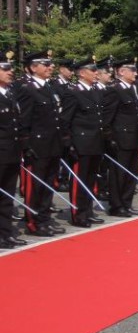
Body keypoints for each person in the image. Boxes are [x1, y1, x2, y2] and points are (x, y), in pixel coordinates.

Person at [17, 51, 67, 235]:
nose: (50, 67)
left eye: (50, 64)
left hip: (52, 144)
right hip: (37, 146)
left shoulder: (49, 87)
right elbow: (24, 120)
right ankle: (34, 222)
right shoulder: (27, 89)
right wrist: (26, 146)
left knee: (47, 185)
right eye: (45, 65)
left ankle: (45, 218)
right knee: (35, 186)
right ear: (33, 67)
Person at [60, 58, 106, 228]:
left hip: (95, 142)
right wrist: (69, 143)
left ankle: (87, 211)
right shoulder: (73, 92)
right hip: (81, 143)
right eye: (92, 70)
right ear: (81, 73)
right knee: (79, 180)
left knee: (91, 179)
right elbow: (65, 120)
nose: (96, 73)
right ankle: (78, 214)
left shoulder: (95, 91)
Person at [102, 59, 138, 218]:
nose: (136, 73)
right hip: (120, 139)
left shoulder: (132, 89)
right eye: (132, 70)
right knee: (118, 174)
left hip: (133, 137)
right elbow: (107, 117)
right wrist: (109, 138)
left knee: (131, 174)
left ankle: (126, 203)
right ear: (121, 72)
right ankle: (116, 206)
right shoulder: (114, 90)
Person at [0, 55, 27, 248]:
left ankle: (5, 233)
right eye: (5, 69)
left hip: (11, 152)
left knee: (7, 197)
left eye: (11, 69)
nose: (11, 72)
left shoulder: (10, 94)